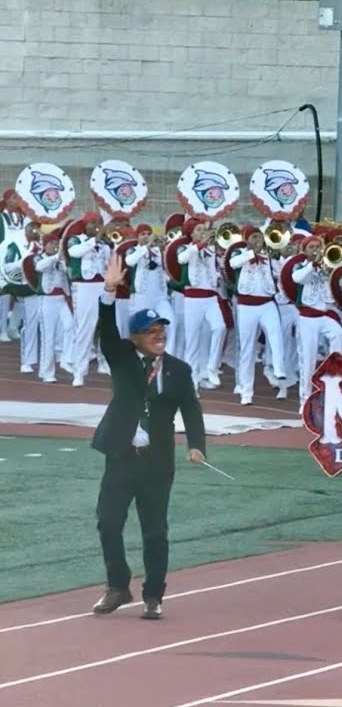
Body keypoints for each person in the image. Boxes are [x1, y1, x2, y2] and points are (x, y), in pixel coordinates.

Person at [91, 253, 207, 620]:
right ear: (136, 338)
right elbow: (107, 331)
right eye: (152, 333)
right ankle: (117, 586)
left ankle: (154, 595)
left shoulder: (178, 370)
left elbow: (191, 409)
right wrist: (109, 292)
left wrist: (197, 446)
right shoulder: (122, 358)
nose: (159, 337)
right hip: (121, 457)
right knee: (108, 522)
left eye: (163, 332)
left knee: (154, 531)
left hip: (157, 463)